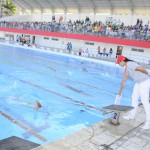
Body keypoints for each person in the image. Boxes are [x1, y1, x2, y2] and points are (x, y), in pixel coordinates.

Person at [115, 55, 150, 130]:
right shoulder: (126, 68)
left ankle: (148, 122)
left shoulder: (130, 64)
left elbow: (140, 68)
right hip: (138, 82)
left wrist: (147, 73)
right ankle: (132, 116)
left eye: (118, 63)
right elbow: (123, 82)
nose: (118, 64)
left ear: (122, 61)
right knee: (134, 98)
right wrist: (119, 94)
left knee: (145, 101)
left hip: (144, 81)